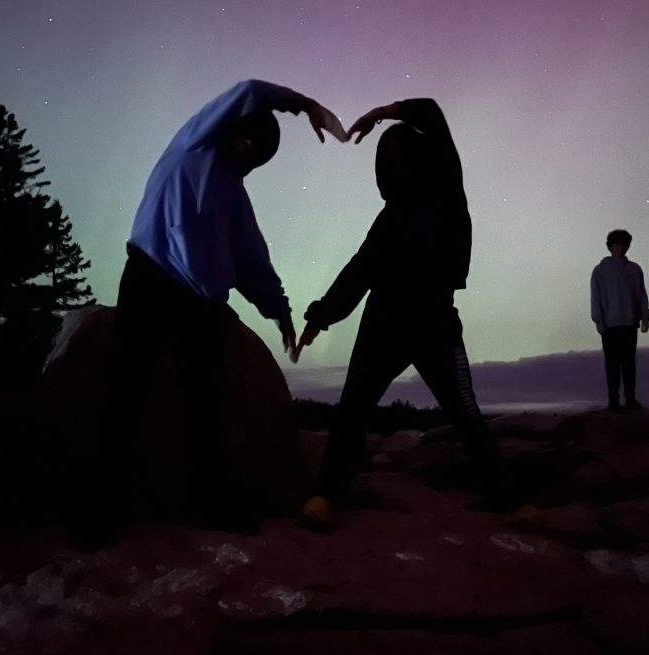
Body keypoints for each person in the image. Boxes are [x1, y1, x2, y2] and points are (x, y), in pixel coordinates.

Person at [100, 80, 346, 534]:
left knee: (207, 407)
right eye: (248, 141)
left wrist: (280, 312)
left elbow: (252, 258)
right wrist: (303, 104)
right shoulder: (192, 145)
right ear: (233, 129)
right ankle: (103, 510)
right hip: (150, 278)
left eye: (258, 156)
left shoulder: (234, 193)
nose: (248, 154)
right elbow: (251, 89)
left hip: (201, 307)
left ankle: (215, 503)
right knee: (127, 393)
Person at [293, 98, 502, 528]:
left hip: (436, 323)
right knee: (351, 410)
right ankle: (325, 494)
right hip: (384, 323)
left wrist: (379, 113)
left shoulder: (447, 192)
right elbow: (360, 269)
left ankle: (508, 493)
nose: (392, 164)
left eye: (399, 154)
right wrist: (321, 315)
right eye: (385, 159)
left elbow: (432, 113)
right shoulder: (388, 219)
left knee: (465, 412)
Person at [590, 228, 649, 412]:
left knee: (629, 364)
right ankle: (614, 401)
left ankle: (630, 399)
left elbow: (641, 294)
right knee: (612, 364)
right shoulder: (600, 271)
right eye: (619, 244)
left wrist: (644, 316)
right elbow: (596, 297)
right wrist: (599, 321)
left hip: (630, 323)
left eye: (626, 244)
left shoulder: (634, 269)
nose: (623, 248)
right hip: (610, 325)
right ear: (611, 246)